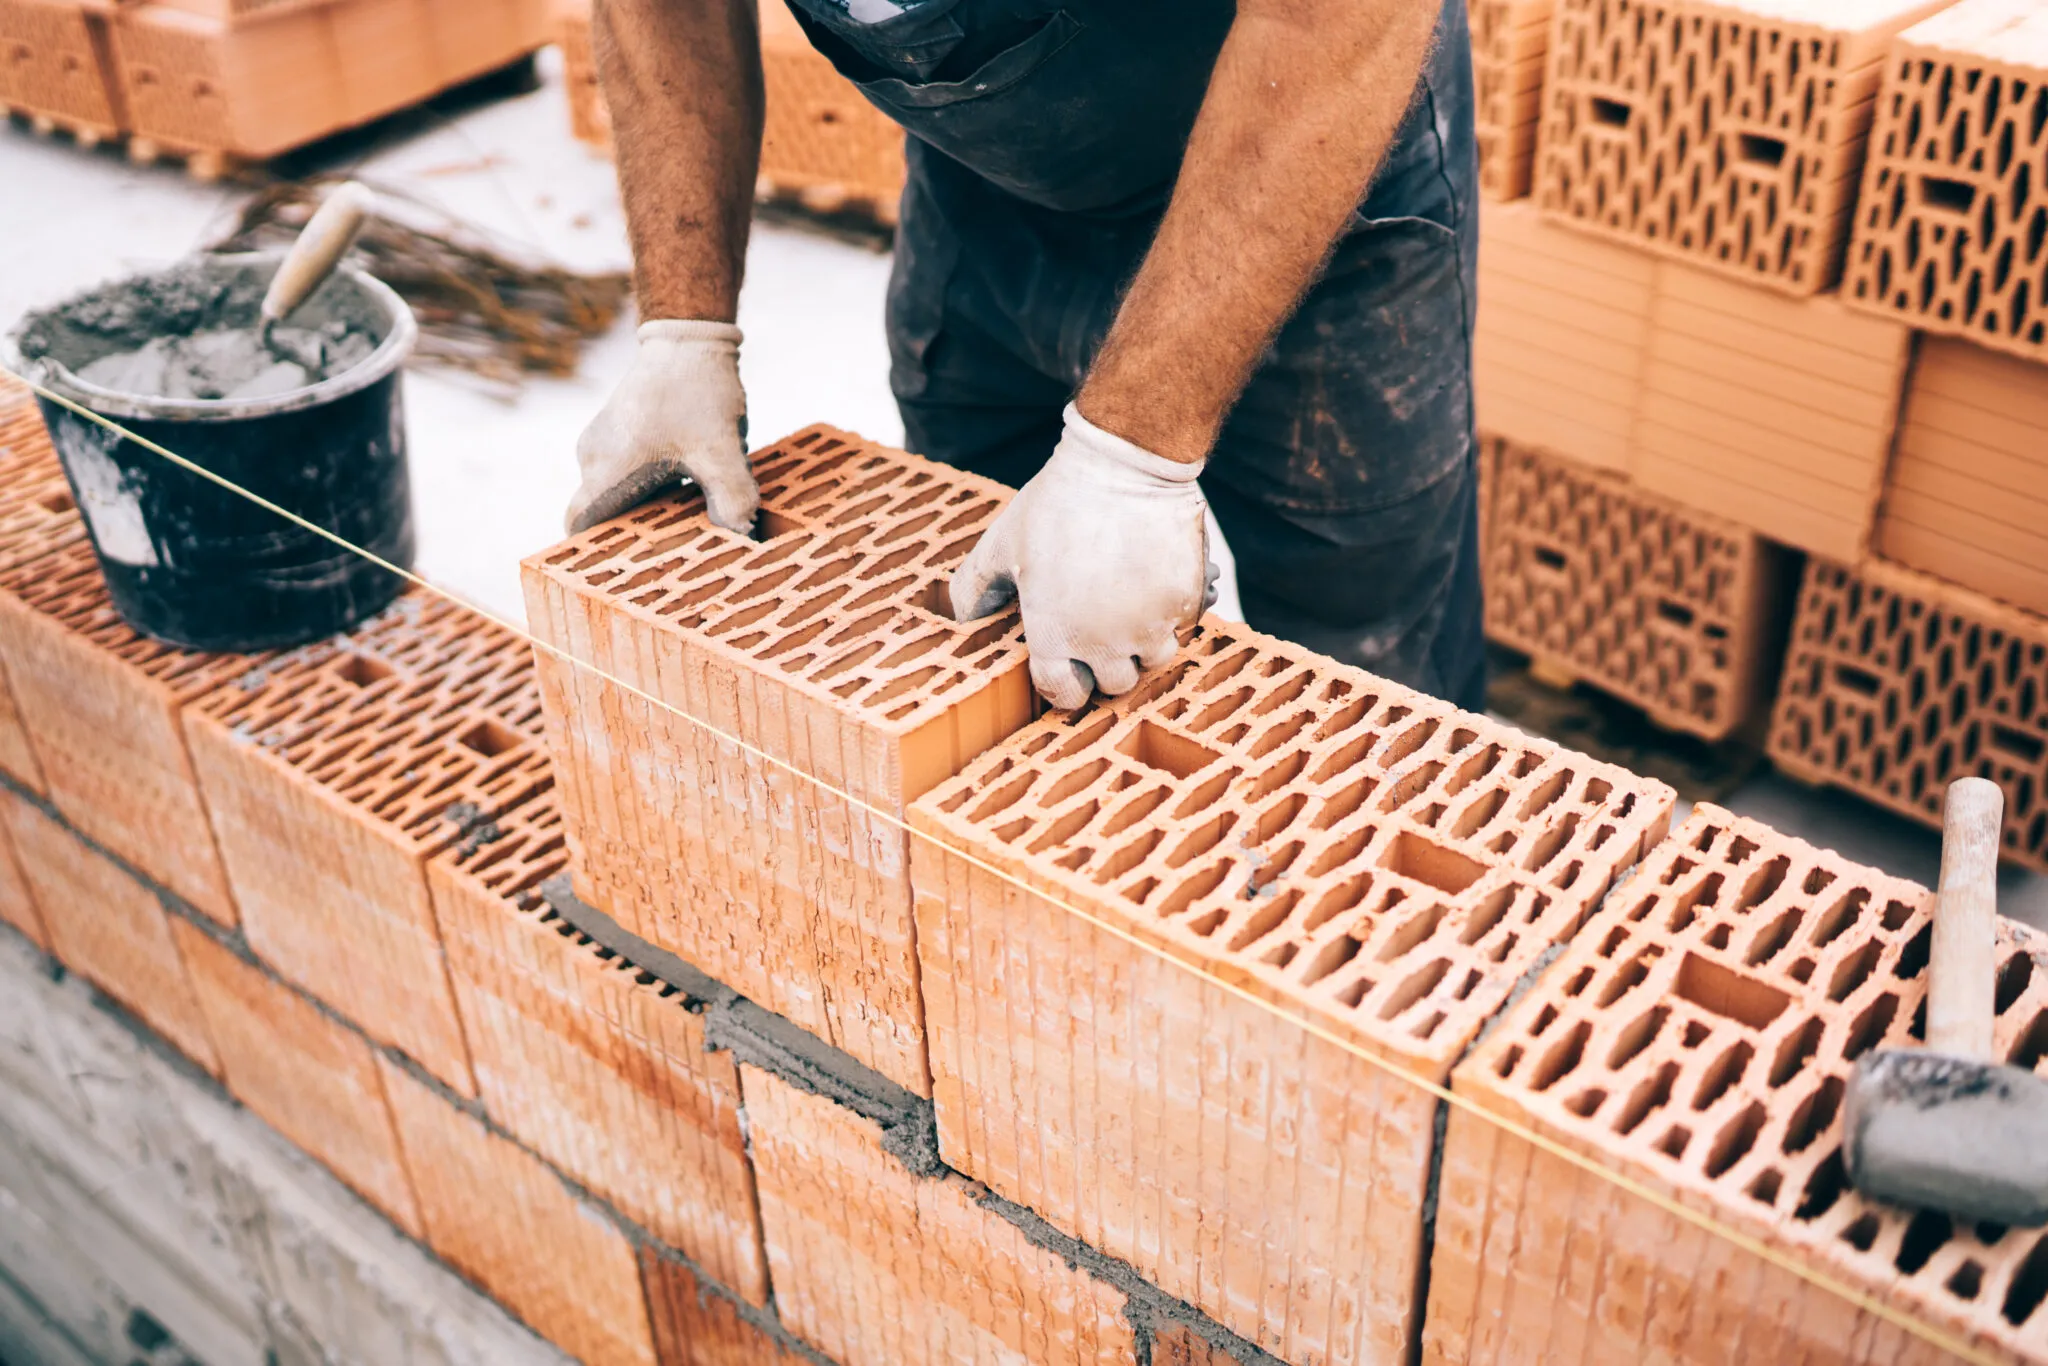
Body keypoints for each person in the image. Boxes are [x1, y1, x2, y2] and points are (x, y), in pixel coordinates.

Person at [569, 0, 1485, 713]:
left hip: (1307, 146)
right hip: (989, 169)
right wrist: (683, 329)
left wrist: (1131, 459)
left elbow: (1327, 20)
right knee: (974, 642)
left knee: (1368, 674)